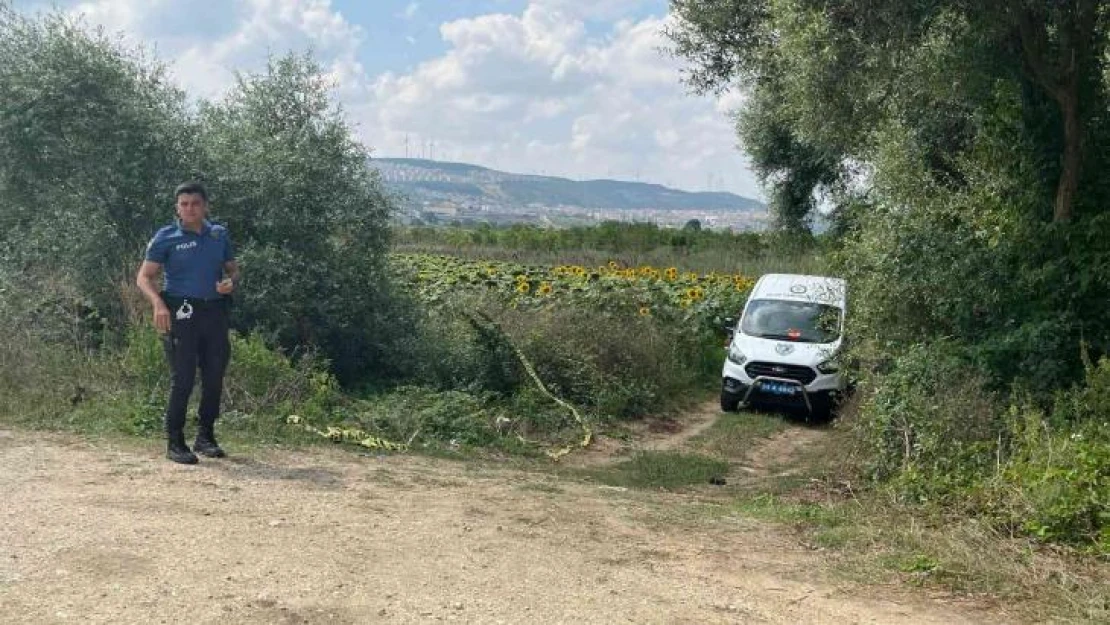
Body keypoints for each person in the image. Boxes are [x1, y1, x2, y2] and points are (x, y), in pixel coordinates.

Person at [136, 182, 240, 464]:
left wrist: (230, 282)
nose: (189, 209)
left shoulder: (218, 234)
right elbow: (144, 277)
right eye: (184, 204)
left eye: (195, 203)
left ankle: (205, 436)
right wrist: (158, 304)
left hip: (214, 311)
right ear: (177, 208)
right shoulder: (166, 237)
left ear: (205, 206)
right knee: (182, 377)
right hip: (181, 312)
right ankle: (175, 442)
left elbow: (232, 268)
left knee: (214, 375)